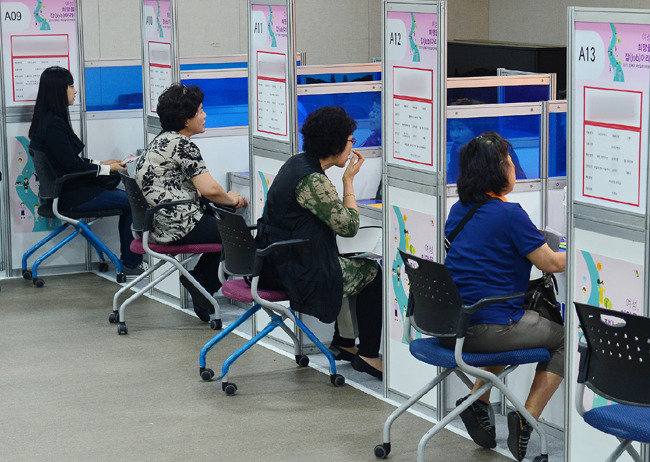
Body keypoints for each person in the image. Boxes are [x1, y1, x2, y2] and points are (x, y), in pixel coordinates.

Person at [442, 132, 565, 461]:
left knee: (504, 320)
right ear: (497, 170)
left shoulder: (459, 210)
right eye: (509, 162)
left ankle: (476, 402)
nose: (514, 167)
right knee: (565, 340)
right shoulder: (510, 215)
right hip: (486, 329)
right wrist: (584, 251)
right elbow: (551, 263)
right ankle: (527, 419)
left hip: (449, 326)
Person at [256, 106, 383, 380]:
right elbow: (348, 226)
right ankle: (369, 354)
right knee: (373, 273)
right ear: (336, 143)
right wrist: (348, 181)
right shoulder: (313, 180)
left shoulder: (296, 163)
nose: (353, 146)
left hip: (272, 263)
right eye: (350, 140)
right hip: (293, 271)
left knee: (346, 263)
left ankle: (344, 343)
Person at [134, 84, 247, 322]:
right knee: (237, 236)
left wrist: (223, 200)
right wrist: (232, 200)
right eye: (200, 111)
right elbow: (209, 189)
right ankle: (202, 283)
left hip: (154, 223)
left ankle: (200, 282)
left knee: (222, 220)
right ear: (186, 119)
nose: (205, 115)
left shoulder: (161, 140)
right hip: (176, 225)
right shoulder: (183, 145)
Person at [28, 66, 143, 275]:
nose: (75, 91)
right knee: (132, 202)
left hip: (61, 193)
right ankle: (131, 263)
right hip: (70, 196)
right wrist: (106, 168)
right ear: (58, 90)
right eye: (70, 86)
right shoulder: (53, 125)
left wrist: (103, 163)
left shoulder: (46, 121)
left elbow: (69, 161)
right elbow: (72, 166)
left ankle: (130, 261)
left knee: (125, 196)